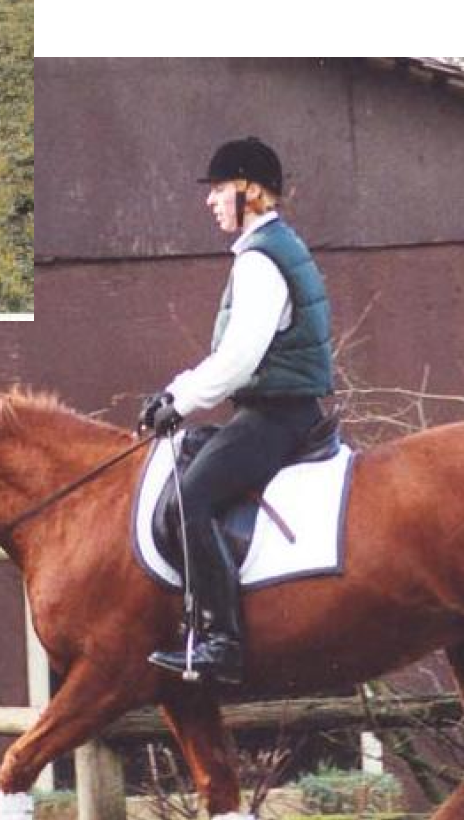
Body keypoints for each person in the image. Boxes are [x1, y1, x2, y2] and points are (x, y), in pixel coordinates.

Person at [141, 137, 335, 682]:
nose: (210, 201)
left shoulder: (260, 260)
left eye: (219, 188)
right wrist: (175, 392)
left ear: (249, 191)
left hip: (277, 418)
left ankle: (222, 641)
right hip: (274, 411)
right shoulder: (272, 247)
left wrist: (179, 402)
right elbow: (234, 358)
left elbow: (239, 358)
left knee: (190, 502)